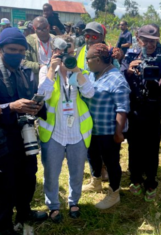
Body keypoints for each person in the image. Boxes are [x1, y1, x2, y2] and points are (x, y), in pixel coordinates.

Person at [37, 35, 94, 223]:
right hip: (53, 133)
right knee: (51, 173)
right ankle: (53, 205)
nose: (67, 57)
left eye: (71, 53)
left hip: (77, 132)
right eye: (62, 53)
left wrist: (76, 69)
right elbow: (42, 95)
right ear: (54, 52)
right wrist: (52, 70)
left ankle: (73, 201)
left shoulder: (78, 71)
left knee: (77, 171)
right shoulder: (45, 70)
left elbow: (89, 92)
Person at [0, 28, 48, 234]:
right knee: (4, 186)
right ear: (1, 48)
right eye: (12, 49)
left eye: (21, 51)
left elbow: (29, 98)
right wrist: (10, 107)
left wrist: (36, 107)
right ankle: (4, 225)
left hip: (25, 137)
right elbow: (12, 106)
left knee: (28, 177)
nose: (18, 54)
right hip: (3, 142)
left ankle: (24, 211)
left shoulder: (23, 71)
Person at [120, 25, 161, 202]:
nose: (149, 44)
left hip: (153, 108)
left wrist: (160, 81)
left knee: (151, 147)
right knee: (134, 146)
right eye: (146, 40)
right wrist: (128, 70)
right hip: (134, 108)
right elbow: (121, 77)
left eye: (153, 41)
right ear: (138, 38)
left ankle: (150, 181)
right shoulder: (132, 53)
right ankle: (135, 178)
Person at [82, 43, 130, 210]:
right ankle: (95, 182)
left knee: (111, 162)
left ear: (97, 59)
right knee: (92, 156)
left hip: (108, 131)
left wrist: (118, 132)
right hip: (91, 129)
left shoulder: (116, 79)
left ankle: (114, 192)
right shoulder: (93, 75)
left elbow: (122, 108)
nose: (86, 62)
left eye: (87, 59)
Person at [23, 17, 55, 85]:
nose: (42, 31)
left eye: (44, 28)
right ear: (34, 28)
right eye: (39, 29)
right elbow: (23, 62)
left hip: (54, 78)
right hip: (36, 80)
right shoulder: (28, 41)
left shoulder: (55, 40)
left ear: (48, 26)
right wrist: (39, 67)